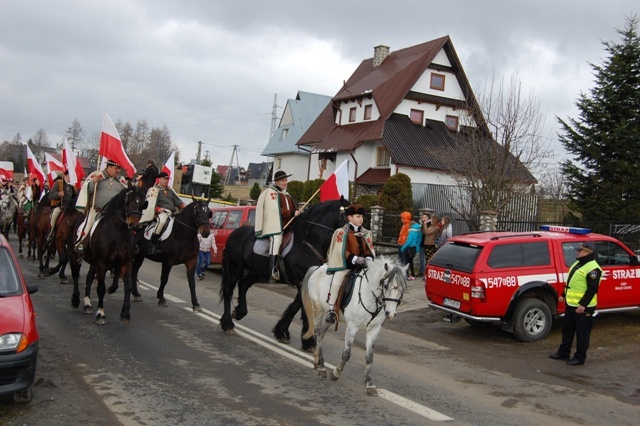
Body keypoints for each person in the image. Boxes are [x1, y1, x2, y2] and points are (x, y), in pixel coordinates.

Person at [549, 242, 602, 366]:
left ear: (587, 253)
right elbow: (571, 282)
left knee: (582, 333)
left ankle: (580, 357)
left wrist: (582, 305)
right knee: (567, 329)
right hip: (571, 304)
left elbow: (592, 289)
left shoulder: (593, 269)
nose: (577, 252)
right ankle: (564, 352)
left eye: (580, 251)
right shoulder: (578, 264)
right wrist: (563, 295)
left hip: (584, 307)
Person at [325, 203, 375, 324]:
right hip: (347, 265)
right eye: (358, 216)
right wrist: (354, 258)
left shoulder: (366, 233)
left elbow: (369, 248)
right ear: (349, 217)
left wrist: (368, 258)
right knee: (337, 280)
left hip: (363, 265)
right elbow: (340, 249)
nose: (361, 219)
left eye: (362, 217)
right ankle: (332, 309)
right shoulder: (341, 232)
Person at [254, 170, 299, 282]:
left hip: (289, 226)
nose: (285, 182)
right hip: (276, 227)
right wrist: (292, 213)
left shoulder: (287, 195)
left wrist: (298, 212)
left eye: (286, 180)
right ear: (277, 182)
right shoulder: (271, 193)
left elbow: (294, 209)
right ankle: (273, 270)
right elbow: (275, 210)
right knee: (276, 239)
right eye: (283, 180)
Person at [74, 159, 126, 254]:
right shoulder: (97, 176)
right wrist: (93, 182)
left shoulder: (121, 181)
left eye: (119, 168)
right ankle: (81, 243)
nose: (118, 171)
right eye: (116, 168)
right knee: (87, 225)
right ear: (109, 167)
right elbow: (87, 190)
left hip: (112, 214)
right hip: (97, 211)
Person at [143, 171, 185, 255]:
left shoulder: (170, 190)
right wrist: (157, 209)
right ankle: (152, 245)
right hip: (162, 212)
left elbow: (178, 201)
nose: (166, 181)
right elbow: (151, 203)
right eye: (164, 179)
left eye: (167, 179)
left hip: (172, 213)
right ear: (158, 179)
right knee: (162, 221)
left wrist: (182, 205)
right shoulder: (154, 190)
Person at [46, 171, 75, 242]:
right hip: (60, 206)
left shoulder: (73, 185)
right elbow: (51, 195)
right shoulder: (59, 183)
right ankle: (51, 232)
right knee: (54, 215)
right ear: (65, 175)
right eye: (69, 175)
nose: (70, 177)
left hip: (71, 208)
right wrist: (58, 194)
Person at [418, 212, 432, 276]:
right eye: (422, 217)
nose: (422, 218)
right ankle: (421, 271)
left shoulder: (430, 224)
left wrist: (424, 225)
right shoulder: (422, 224)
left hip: (427, 244)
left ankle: (425, 272)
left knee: (426, 259)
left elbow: (425, 233)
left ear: (428, 218)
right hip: (421, 243)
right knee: (421, 259)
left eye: (424, 217)